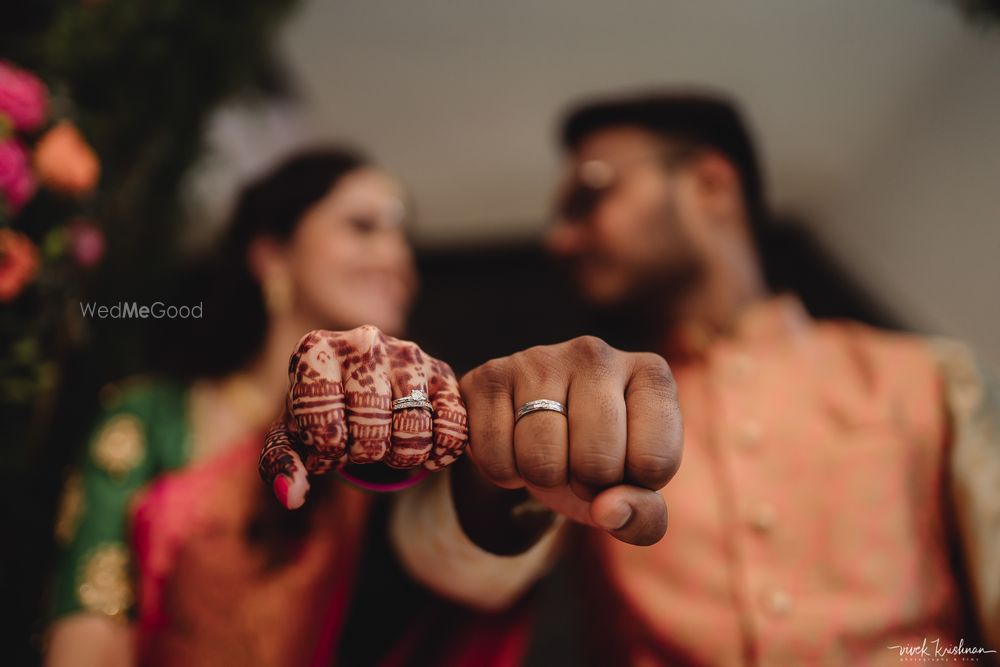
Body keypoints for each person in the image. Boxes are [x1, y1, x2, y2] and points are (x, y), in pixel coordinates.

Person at [47, 147, 682, 666]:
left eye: (402, 235)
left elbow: (445, 550)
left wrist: (503, 479)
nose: (396, 256)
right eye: (362, 226)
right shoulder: (151, 416)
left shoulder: (409, 423)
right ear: (273, 255)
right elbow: (89, 631)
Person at [544, 89, 1000, 665]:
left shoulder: (932, 377)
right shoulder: (590, 414)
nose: (560, 239)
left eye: (591, 194)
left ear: (710, 184)